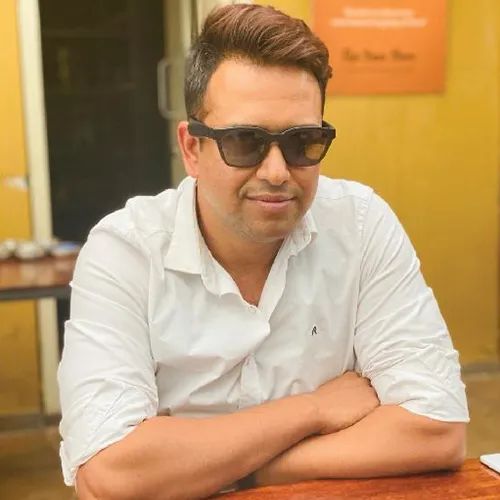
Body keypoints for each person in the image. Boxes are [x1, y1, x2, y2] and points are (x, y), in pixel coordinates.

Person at [58, 4, 469, 500]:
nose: (276, 172)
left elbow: (435, 427)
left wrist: (232, 471)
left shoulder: (360, 224)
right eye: (244, 141)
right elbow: (111, 475)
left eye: (303, 142)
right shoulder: (126, 251)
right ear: (191, 149)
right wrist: (313, 410)